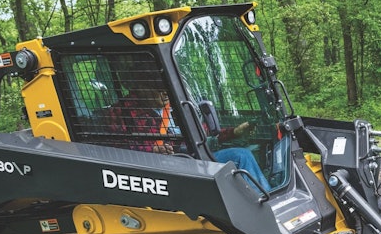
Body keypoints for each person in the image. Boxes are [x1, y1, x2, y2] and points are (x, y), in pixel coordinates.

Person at [108, 80, 270, 191]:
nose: (164, 94)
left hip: (191, 156)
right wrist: (153, 150)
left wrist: (235, 132)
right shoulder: (124, 112)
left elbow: (202, 133)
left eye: (165, 88)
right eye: (158, 89)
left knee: (242, 154)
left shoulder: (176, 107)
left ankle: (260, 197)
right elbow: (117, 146)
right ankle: (263, 201)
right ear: (141, 87)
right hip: (163, 168)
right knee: (240, 156)